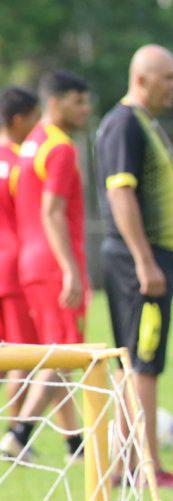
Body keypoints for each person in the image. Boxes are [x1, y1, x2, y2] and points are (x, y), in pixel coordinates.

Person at [94, 45, 173, 490]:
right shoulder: (124, 124)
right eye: (168, 78)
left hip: (148, 260)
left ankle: (125, 465)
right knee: (144, 363)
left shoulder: (142, 123)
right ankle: (148, 470)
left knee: (134, 363)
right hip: (140, 262)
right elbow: (120, 194)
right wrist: (143, 260)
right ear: (142, 78)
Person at [1, 71, 91, 464]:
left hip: (29, 262)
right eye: (78, 101)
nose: (85, 110)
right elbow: (51, 210)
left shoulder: (28, 147)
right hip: (54, 263)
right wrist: (70, 268)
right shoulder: (59, 147)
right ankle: (19, 433)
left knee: (55, 353)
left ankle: (75, 442)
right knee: (62, 354)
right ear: (53, 103)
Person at [0, 87, 41, 403]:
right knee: (23, 357)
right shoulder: (23, 161)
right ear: (18, 120)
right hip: (13, 270)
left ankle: (72, 441)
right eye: (34, 118)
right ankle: (15, 438)